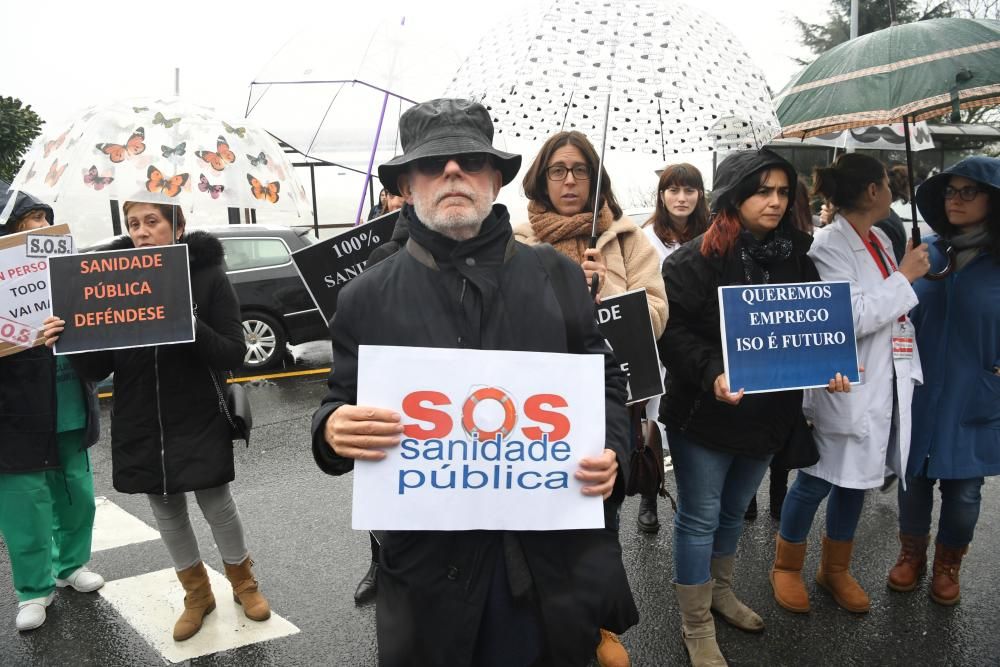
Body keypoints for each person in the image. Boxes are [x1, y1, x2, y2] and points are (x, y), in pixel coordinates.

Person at [311, 98, 638, 667]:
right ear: (408, 185)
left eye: (468, 161)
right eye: (434, 165)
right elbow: (338, 402)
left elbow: (603, 376)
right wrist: (331, 430)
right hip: (428, 577)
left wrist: (615, 451)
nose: (453, 173)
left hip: (544, 568)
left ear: (495, 178)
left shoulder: (557, 276)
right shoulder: (367, 295)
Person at [42, 202, 271, 641]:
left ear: (178, 227)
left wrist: (188, 321)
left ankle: (244, 584)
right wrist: (68, 339)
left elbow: (231, 352)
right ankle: (197, 595)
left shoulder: (206, 276)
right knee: (166, 511)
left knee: (216, 504)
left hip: (198, 411)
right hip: (140, 417)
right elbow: (97, 369)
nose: (141, 231)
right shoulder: (109, 280)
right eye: (133, 224)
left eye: (152, 221)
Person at [659, 148, 852, 667]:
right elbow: (671, 336)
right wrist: (712, 373)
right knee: (698, 518)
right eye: (763, 190)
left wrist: (828, 368)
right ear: (735, 195)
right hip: (705, 415)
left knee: (730, 514)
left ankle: (720, 592)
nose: (774, 201)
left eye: (783, 191)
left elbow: (814, 330)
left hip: (768, 418)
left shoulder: (798, 256)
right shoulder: (691, 259)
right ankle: (695, 622)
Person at [770, 153, 930, 616]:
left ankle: (835, 569)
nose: (890, 187)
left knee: (857, 481)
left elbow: (887, 306)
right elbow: (851, 317)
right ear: (873, 192)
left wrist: (901, 275)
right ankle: (786, 565)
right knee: (818, 478)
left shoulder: (879, 237)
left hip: (883, 377)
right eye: (885, 181)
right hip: (843, 382)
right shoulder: (829, 245)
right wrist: (905, 276)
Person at [515, 131, 667, 546]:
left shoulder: (629, 240)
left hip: (607, 411)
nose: (569, 181)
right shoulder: (516, 242)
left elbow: (656, 320)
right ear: (541, 179)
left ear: (596, 177)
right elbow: (503, 324)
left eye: (580, 171)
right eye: (558, 170)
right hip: (534, 413)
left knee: (601, 529)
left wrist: (610, 291)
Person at [887, 156, 1000, 605]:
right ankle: (910, 555)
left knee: (965, 489)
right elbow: (894, 310)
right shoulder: (925, 252)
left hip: (977, 389)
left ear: (992, 200)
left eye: (967, 191)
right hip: (920, 387)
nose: (956, 199)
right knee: (914, 478)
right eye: (950, 191)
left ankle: (948, 563)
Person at [0, 187, 104, 632]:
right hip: (15, 413)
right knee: (25, 503)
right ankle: (32, 588)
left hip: (69, 405)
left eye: (44, 219)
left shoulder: (68, 272)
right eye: (29, 222)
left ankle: (70, 567)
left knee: (76, 493)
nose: (40, 228)